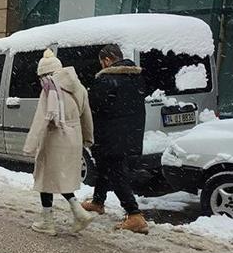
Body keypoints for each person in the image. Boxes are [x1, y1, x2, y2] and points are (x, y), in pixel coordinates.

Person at [23, 49, 95, 235]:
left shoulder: (49, 89)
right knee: (61, 178)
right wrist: (88, 138)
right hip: (74, 137)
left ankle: (47, 221)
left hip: (54, 137)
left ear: (44, 74)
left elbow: (40, 120)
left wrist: (30, 145)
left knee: (46, 178)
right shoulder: (78, 86)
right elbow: (86, 116)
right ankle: (79, 212)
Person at [82, 44, 148, 234]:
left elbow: (92, 107)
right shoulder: (136, 78)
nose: (101, 66)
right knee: (104, 167)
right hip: (131, 133)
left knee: (116, 173)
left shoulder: (107, 80)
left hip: (110, 135)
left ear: (108, 60)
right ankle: (98, 201)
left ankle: (135, 215)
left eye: (101, 62)